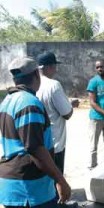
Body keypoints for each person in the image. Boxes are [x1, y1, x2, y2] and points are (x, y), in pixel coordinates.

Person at [0, 57, 71, 208]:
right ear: (36, 75)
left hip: (14, 186)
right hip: (30, 190)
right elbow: (35, 148)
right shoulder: (29, 103)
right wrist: (60, 180)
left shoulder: (7, 100)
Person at [36, 51, 74, 174]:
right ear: (50, 67)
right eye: (55, 66)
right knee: (56, 179)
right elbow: (67, 114)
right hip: (55, 143)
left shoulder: (33, 84)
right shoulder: (53, 85)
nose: (55, 70)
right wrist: (71, 105)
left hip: (39, 143)